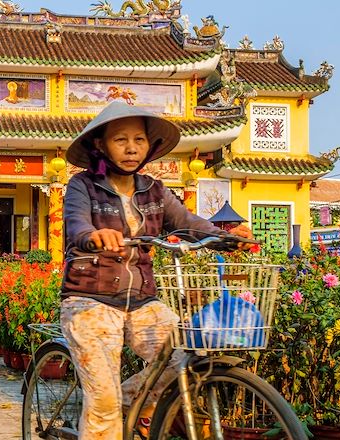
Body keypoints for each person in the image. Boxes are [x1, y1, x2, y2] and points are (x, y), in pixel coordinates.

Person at [60, 102, 254, 439]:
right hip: (90, 299)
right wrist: (95, 236)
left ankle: (123, 402)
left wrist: (224, 237)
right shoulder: (83, 187)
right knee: (102, 401)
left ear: (150, 146)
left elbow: (188, 223)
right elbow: (76, 225)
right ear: (101, 145)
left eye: (139, 139)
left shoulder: (155, 190)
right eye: (120, 139)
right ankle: (109, 406)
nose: (131, 147)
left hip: (143, 302)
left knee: (184, 356)